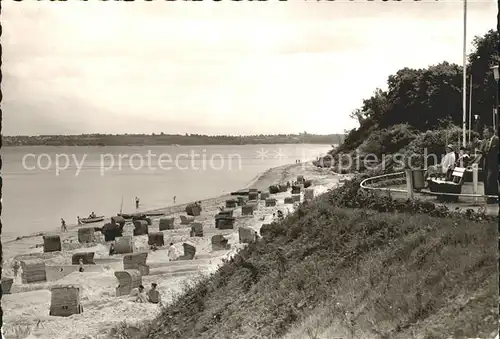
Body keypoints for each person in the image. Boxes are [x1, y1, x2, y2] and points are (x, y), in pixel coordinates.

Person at [479, 127, 499, 203]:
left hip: (493, 164)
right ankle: (489, 197)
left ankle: (492, 198)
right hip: (486, 164)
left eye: (486, 133)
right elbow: (484, 151)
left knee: (491, 180)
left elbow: (495, 152)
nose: (484, 134)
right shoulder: (486, 141)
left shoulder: (496, 140)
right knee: (487, 180)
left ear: (491, 132)